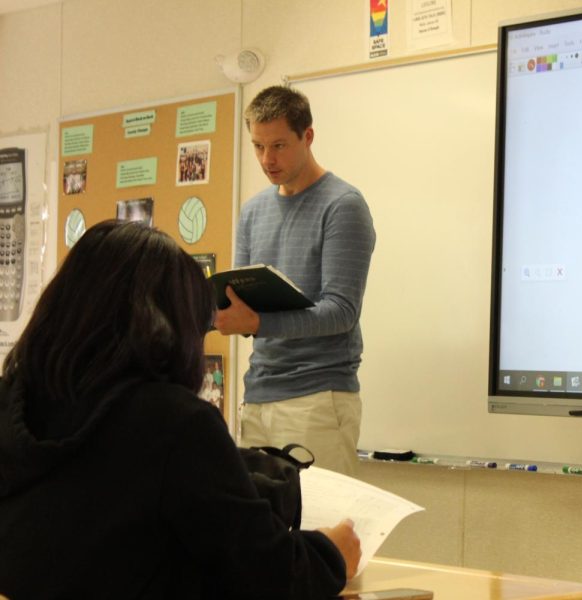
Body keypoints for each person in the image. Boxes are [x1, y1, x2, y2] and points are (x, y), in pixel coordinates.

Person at [0, 220, 360, 599]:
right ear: (170, 323)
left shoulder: (12, 401)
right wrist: (332, 554)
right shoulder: (176, 424)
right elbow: (269, 575)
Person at [215, 86, 376, 475]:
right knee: (265, 529)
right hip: (258, 396)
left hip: (318, 398)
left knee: (322, 528)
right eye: (257, 146)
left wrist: (257, 324)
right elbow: (241, 300)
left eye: (279, 145)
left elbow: (340, 312)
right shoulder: (253, 211)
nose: (267, 160)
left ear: (308, 136)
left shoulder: (343, 206)